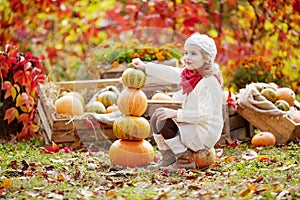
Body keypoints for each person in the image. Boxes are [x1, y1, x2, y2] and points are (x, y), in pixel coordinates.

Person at [132, 33, 223, 170]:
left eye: (193, 54)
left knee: (164, 120)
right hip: (194, 123)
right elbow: (171, 72)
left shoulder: (208, 82)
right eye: (186, 53)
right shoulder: (191, 75)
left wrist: (175, 114)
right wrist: (145, 67)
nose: (187, 57)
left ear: (206, 58)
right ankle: (168, 158)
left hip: (204, 131)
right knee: (158, 115)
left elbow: (205, 115)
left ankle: (185, 160)